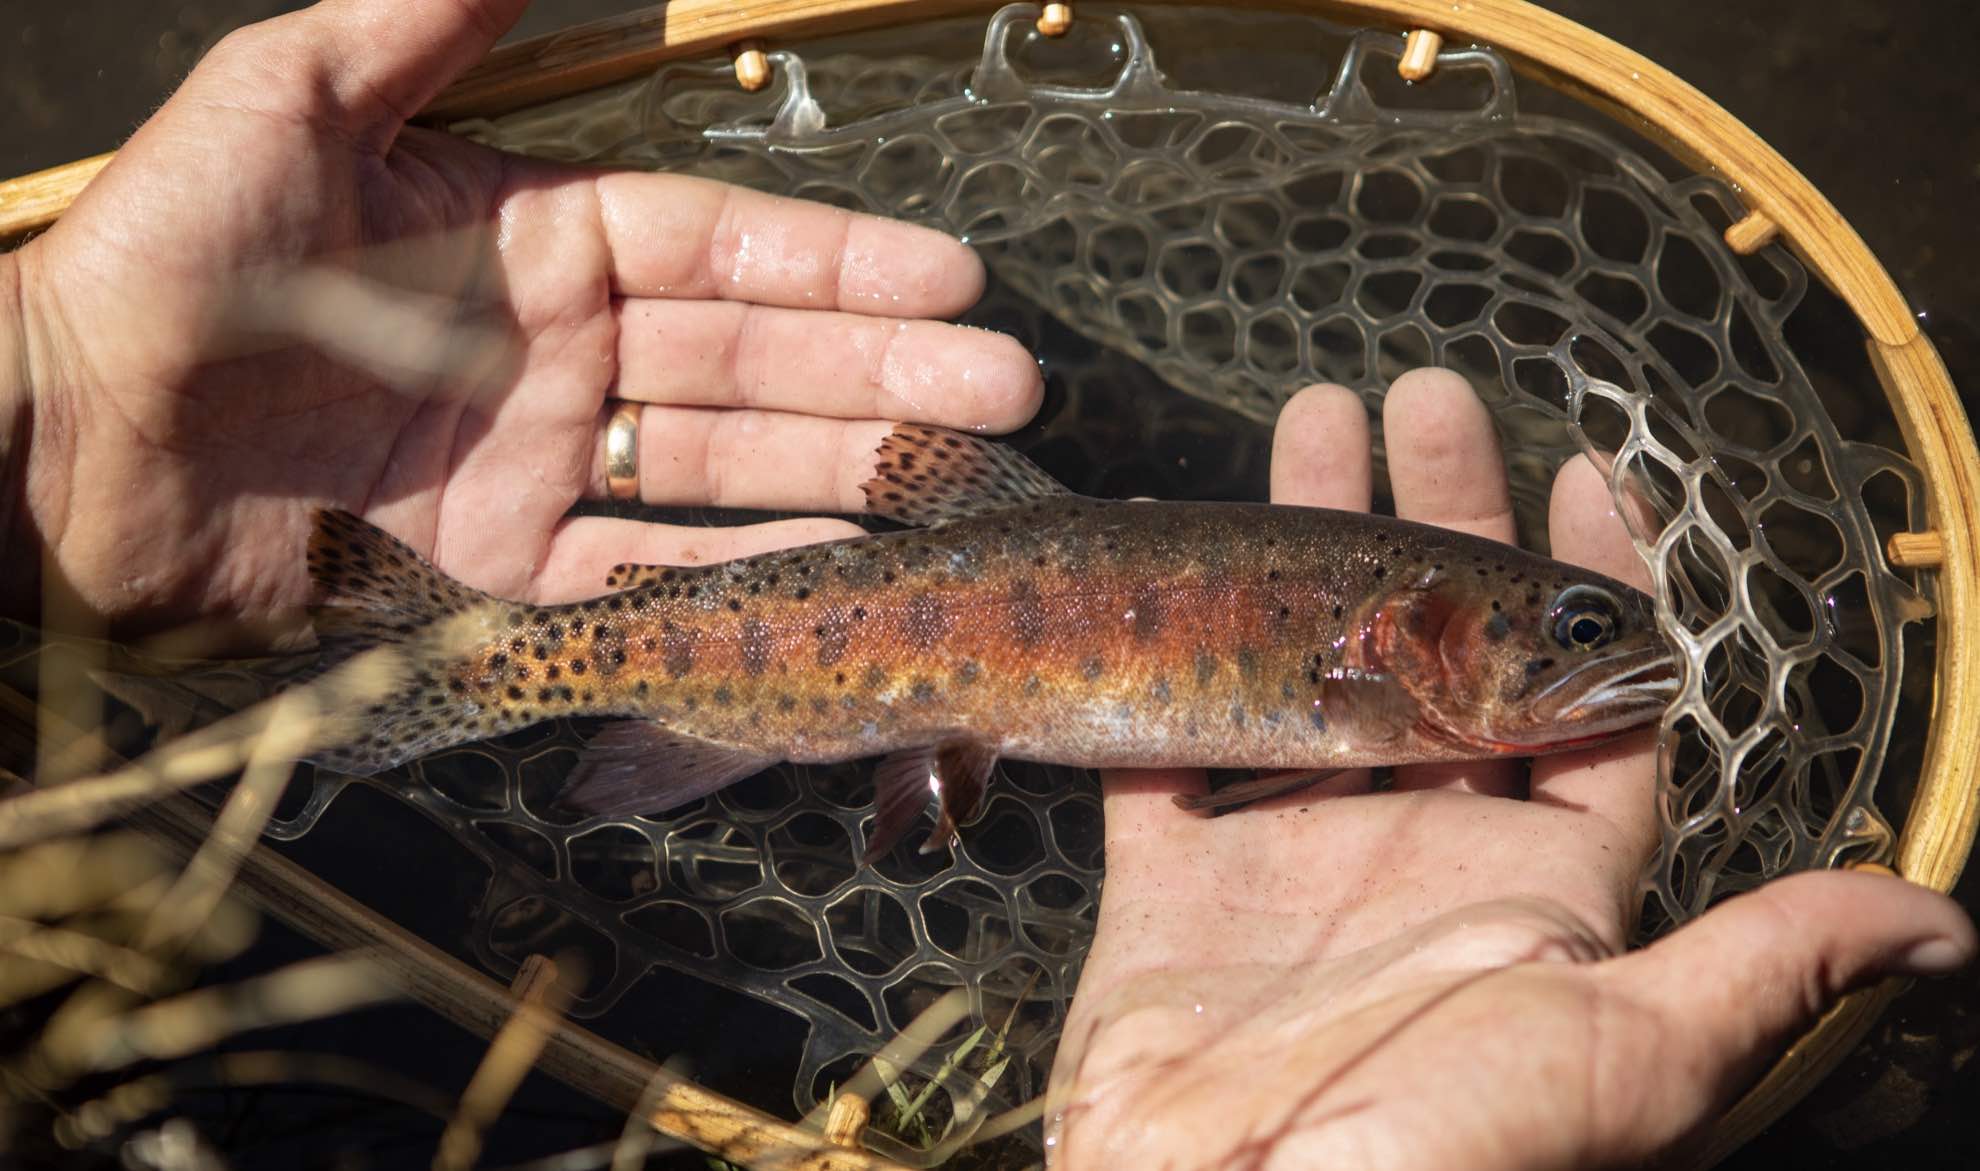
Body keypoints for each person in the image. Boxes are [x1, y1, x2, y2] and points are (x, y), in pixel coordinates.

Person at [0, 2, 1969, 1168]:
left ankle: (484, 666)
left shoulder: (1385, 668)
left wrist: (59, 419)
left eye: (1581, 636)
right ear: (1401, 656)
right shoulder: (1372, 673)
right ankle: (483, 666)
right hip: (880, 638)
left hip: (874, 642)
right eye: (1573, 633)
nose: (1608, 659)